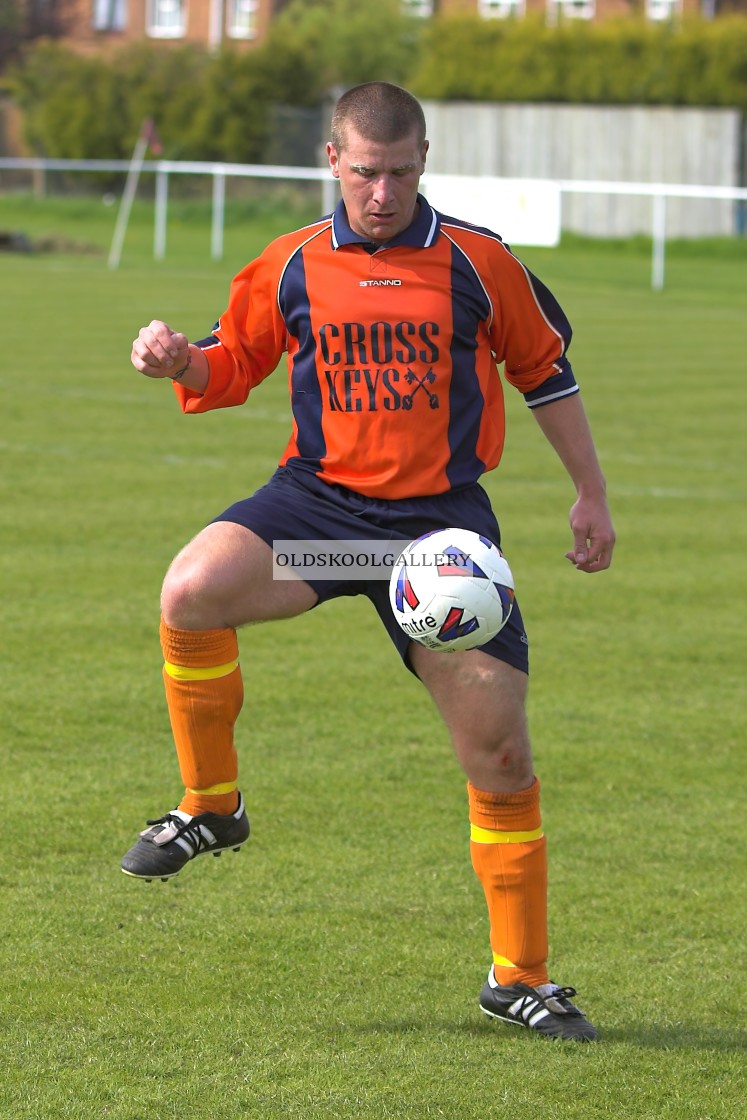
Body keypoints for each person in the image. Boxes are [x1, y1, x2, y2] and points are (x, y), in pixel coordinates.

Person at [124, 82, 615, 1042]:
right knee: (191, 592)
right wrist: (180, 360)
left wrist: (589, 493)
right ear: (330, 161)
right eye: (362, 173)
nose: (380, 192)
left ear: (422, 159)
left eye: (397, 172)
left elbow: (544, 371)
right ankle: (210, 805)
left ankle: (519, 977)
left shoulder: (479, 262)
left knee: (501, 757)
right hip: (320, 519)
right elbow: (232, 365)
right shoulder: (292, 263)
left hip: (436, 544)